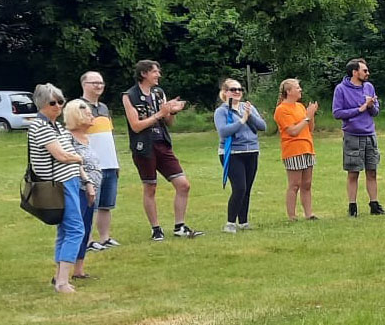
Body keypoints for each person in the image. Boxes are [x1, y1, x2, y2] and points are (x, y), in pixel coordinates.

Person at [122, 59, 204, 240]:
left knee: (183, 185)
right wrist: (159, 113)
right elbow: (135, 126)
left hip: (162, 143)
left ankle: (179, 226)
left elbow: (169, 123)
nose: (158, 75)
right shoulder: (129, 96)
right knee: (150, 187)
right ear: (144, 74)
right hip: (144, 146)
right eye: (154, 72)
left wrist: (172, 111)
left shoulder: (159, 93)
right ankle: (156, 228)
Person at [28, 83, 84, 294]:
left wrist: (85, 180)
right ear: (42, 104)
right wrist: (78, 158)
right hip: (58, 185)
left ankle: (59, 276)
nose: (59, 106)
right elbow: (61, 155)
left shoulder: (57, 126)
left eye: (61, 101)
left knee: (65, 229)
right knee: (76, 229)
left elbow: (68, 152)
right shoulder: (39, 126)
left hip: (69, 181)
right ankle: (62, 281)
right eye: (53, 102)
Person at [332, 58, 385, 217]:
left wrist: (370, 106)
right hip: (352, 135)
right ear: (355, 72)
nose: (367, 73)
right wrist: (360, 108)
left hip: (370, 134)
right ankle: (352, 207)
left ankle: (374, 204)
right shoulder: (341, 89)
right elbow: (337, 113)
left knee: (372, 171)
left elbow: (375, 112)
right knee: (353, 172)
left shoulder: (369, 87)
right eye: (364, 71)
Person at [213, 79, 267, 233]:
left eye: (239, 89)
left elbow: (263, 126)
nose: (237, 92)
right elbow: (223, 132)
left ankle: (243, 222)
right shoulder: (221, 111)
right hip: (233, 152)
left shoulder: (247, 107)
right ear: (225, 92)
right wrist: (242, 120)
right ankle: (230, 223)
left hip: (251, 151)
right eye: (233, 89)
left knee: (247, 188)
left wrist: (249, 116)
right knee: (239, 188)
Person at [79, 71, 121, 251]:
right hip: (91, 165)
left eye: (101, 82)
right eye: (94, 82)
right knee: (90, 205)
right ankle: (87, 240)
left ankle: (105, 237)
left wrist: (116, 162)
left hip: (109, 163)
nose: (98, 85)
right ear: (84, 84)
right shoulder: (78, 107)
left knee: (106, 204)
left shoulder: (104, 107)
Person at [63, 100, 102, 280]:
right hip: (78, 188)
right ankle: (63, 272)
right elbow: (74, 162)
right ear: (77, 116)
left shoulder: (86, 138)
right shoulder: (67, 137)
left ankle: (79, 269)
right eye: (88, 114)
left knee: (86, 227)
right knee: (75, 228)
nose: (92, 116)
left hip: (91, 189)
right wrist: (87, 183)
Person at [273, 79, 319, 221]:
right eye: (297, 88)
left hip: (307, 148)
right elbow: (293, 131)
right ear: (288, 91)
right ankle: (292, 216)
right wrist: (307, 117)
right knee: (295, 184)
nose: (300, 90)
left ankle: (308, 213)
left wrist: (310, 116)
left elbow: (310, 129)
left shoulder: (300, 106)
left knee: (307, 183)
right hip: (293, 150)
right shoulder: (282, 109)